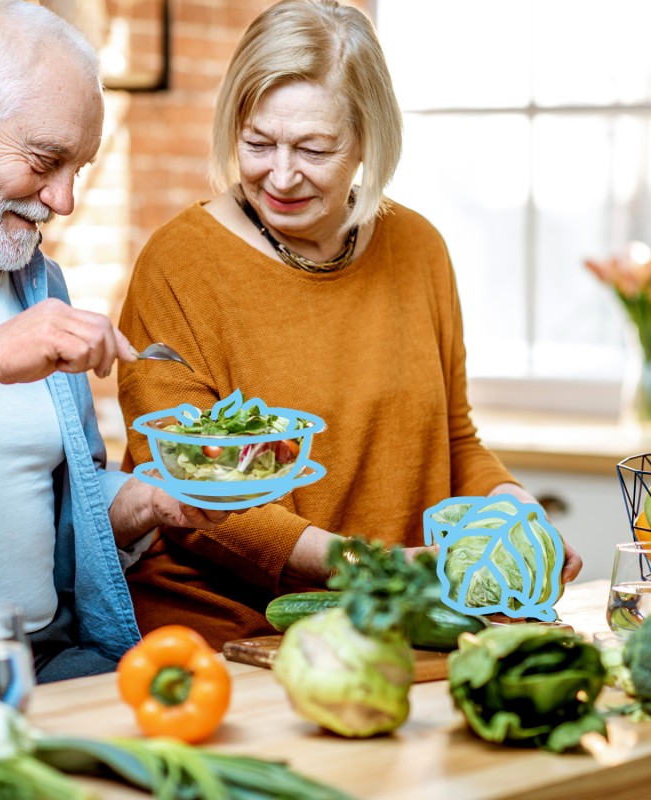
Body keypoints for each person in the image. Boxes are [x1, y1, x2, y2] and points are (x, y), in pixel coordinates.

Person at [117, 0, 583, 649]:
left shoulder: (418, 248)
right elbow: (186, 494)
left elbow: (453, 439)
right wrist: (368, 566)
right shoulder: (179, 264)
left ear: (368, 139)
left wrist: (516, 516)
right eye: (256, 143)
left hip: (396, 622)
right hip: (231, 635)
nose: (279, 175)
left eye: (314, 148)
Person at [0, 0, 230, 716]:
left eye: (79, 168)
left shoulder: (38, 281)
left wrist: (150, 503)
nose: (64, 199)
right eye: (45, 160)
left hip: (56, 661)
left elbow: (58, 498)